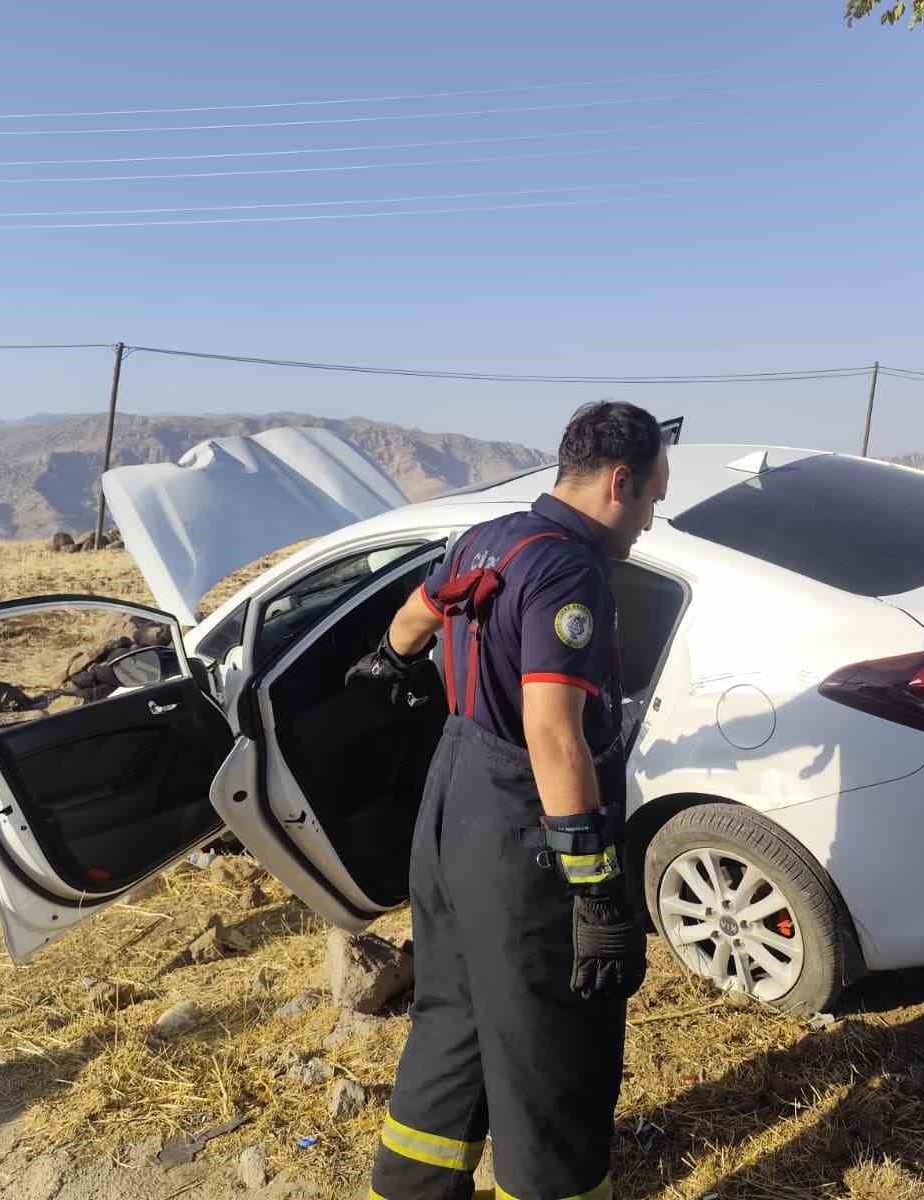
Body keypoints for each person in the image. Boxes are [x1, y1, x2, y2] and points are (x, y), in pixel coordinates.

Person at [346, 400, 669, 1200]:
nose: (650, 521)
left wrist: (391, 661)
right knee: (553, 1042)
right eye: (654, 498)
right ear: (619, 481)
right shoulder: (569, 567)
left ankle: (413, 1188)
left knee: (452, 1014)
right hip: (522, 834)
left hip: (452, 813)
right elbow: (554, 735)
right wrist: (594, 888)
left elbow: (419, 611)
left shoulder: (491, 536)